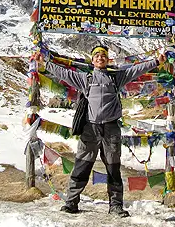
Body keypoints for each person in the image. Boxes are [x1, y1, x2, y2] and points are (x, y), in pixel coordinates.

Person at [38, 45, 165, 218]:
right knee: (82, 165)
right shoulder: (85, 79)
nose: (100, 57)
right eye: (96, 55)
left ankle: (116, 206)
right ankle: (71, 202)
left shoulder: (116, 77)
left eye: (103, 55)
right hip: (89, 128)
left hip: (111, 128)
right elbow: (65, 74)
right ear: (92, 59)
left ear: (107, 59)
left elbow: (136, 70)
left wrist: (157, 61)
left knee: (113, 168)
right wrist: (45, 64)